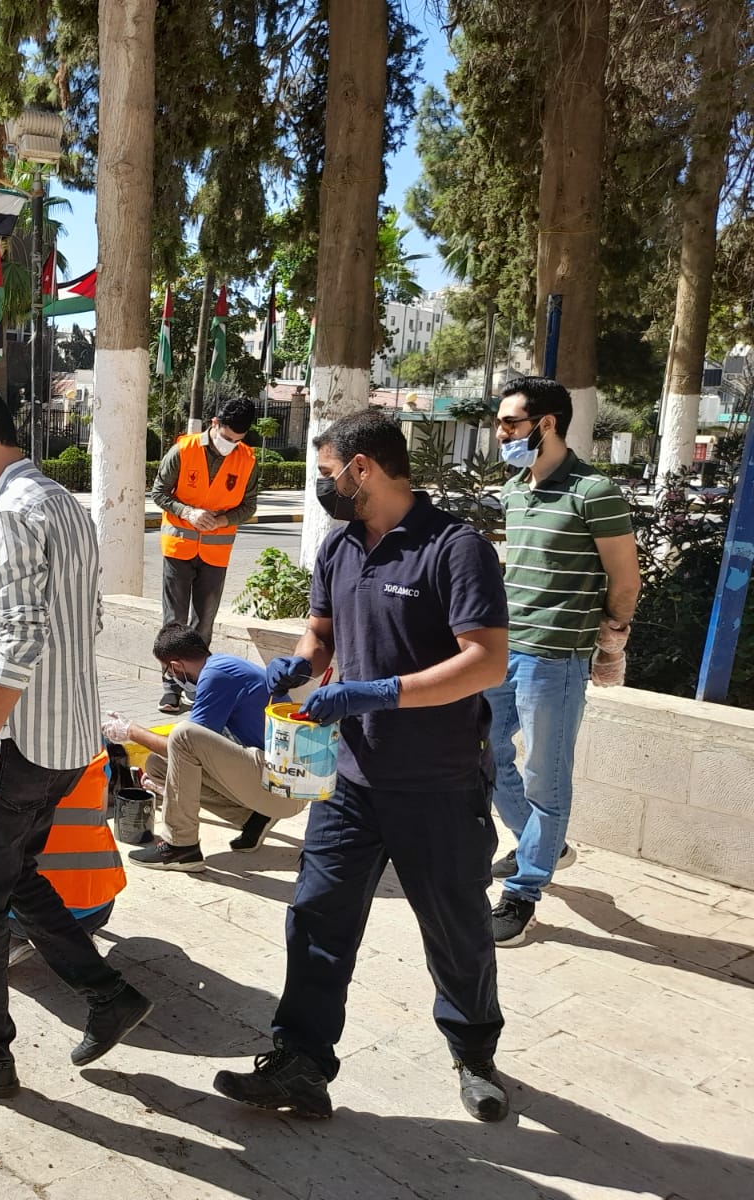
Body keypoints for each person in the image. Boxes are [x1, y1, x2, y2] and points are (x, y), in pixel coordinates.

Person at [213, 409, 512, 1123]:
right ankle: (302, 1063)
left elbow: (487, 661)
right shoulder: (342, 546)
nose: (324, 486)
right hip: (351, 778)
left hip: (437, 780)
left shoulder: (453, 548)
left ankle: (473, 1051)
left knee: (456, 928)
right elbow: (323, 630)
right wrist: (301, 663)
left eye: (326, 473)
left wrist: (378, 692)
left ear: (363, 468)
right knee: (317, 916)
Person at [0, 383, 152, 1100]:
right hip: (72, 736)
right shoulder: (65, 505)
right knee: (16, 878)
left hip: (17, 746)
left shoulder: (12, 515)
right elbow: (80, 618)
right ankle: (107, 995)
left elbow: (23, 635)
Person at [486, 377, 640, 947]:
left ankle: (524, 891)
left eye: (509, 423)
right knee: (484, 752)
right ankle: (539, 843)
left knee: (543, 777)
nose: (500, 433)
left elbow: (624, 579)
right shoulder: (514, 491)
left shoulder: (593, 491)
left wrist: (611, 644)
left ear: (545, 424)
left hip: (557, 659)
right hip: (501, 652)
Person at [104, 623, 307, 870]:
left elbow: (183, 742)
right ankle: (254, 819)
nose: (172, 678)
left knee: (184, 734)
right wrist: (174, 787)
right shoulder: (219, 667)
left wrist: (132, 732)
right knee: (157, 766)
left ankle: (180, 845)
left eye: (169, 672)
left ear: (176, 665)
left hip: (284, 786)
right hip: (274, 784)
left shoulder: (217, 675)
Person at [0, 747, 126, 966]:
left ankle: (8, 939)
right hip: (95, 909)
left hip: (23, 916)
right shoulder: (93, 744)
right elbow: (99, 809)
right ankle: (78, 939)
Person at [150, 395, 262, 712]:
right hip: (179, 547)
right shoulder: (182, 451)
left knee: (204, 624)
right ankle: (170, 685)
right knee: (174, 621)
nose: (231, 444)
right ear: (215, 424)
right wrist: (188, 512)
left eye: (237, 440)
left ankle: (198, 684)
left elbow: (249, 505)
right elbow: (158, 492)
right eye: (226, 437)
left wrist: (224, 519)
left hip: (216, 553)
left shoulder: (247, 460)